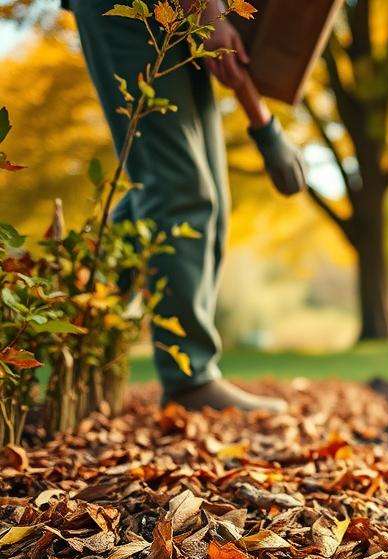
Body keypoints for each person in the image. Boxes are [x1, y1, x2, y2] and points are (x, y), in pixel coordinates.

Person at [67, 0, 305, 412]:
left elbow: (234, 61)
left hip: (182, 10)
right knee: (179, 189)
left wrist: (266, 128)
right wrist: (211, 14)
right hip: (130, 8)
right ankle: (188, 380)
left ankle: (77, 350)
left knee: (197, 191)